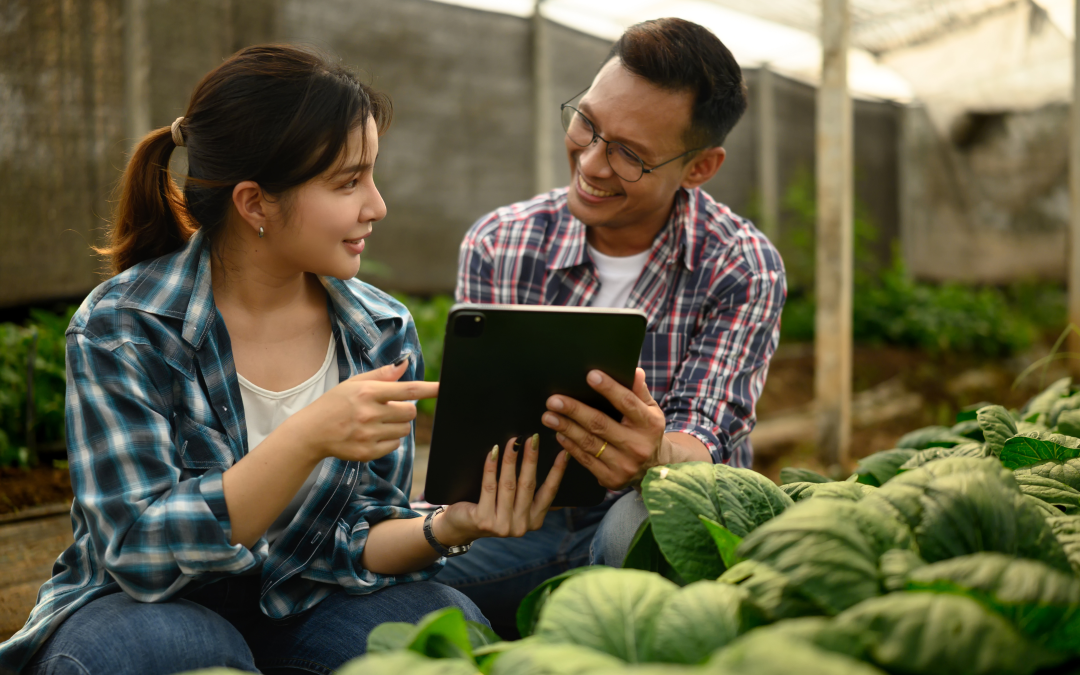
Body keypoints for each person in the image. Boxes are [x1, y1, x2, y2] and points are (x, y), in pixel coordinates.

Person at [0, 44, 568, 675]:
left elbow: (357, 537)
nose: (377, 206)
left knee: (439, 627)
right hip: (146, 608)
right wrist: (306, 437)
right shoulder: (125, 327)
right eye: (348, 182)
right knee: (180, 650)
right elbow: (139, 553)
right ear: (255, 204)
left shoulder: (380, 331)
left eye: (371, 176)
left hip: (306, 604)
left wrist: (449, 527)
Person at [441, 17, 786, 635]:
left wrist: (656, 454)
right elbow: (479, 431)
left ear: (700, 167)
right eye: (588, 124)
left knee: (638, 528)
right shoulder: (501, 243)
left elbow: (707, 427)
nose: (592, 163)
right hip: (524, 517)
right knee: (398, 575)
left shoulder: (740, 266)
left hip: (656, 509)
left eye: (630, 154)